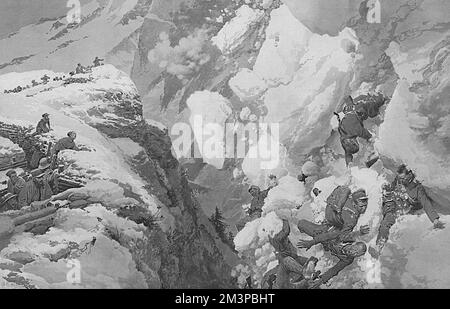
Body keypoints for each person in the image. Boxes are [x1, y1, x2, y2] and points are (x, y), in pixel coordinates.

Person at [297, 188, 370, 250]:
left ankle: (319, 195)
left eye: (365, 206)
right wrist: (359, 232)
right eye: (361, 206)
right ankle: (318, 196)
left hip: (330, 209)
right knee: (302, 224)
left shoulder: (352, 198)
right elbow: (338, 236)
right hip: (330, 220)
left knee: (321, 204)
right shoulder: (350, 220)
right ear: (354, 204)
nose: (364, 209)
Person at [266, 219, 319, 289]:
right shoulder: (278, 241)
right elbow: (285, 232)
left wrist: (310, 277)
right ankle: (305, 272)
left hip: (283, 283)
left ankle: (306, 272)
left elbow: (298, 285)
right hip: (283, 282)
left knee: (311, 260)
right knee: (287, 261)